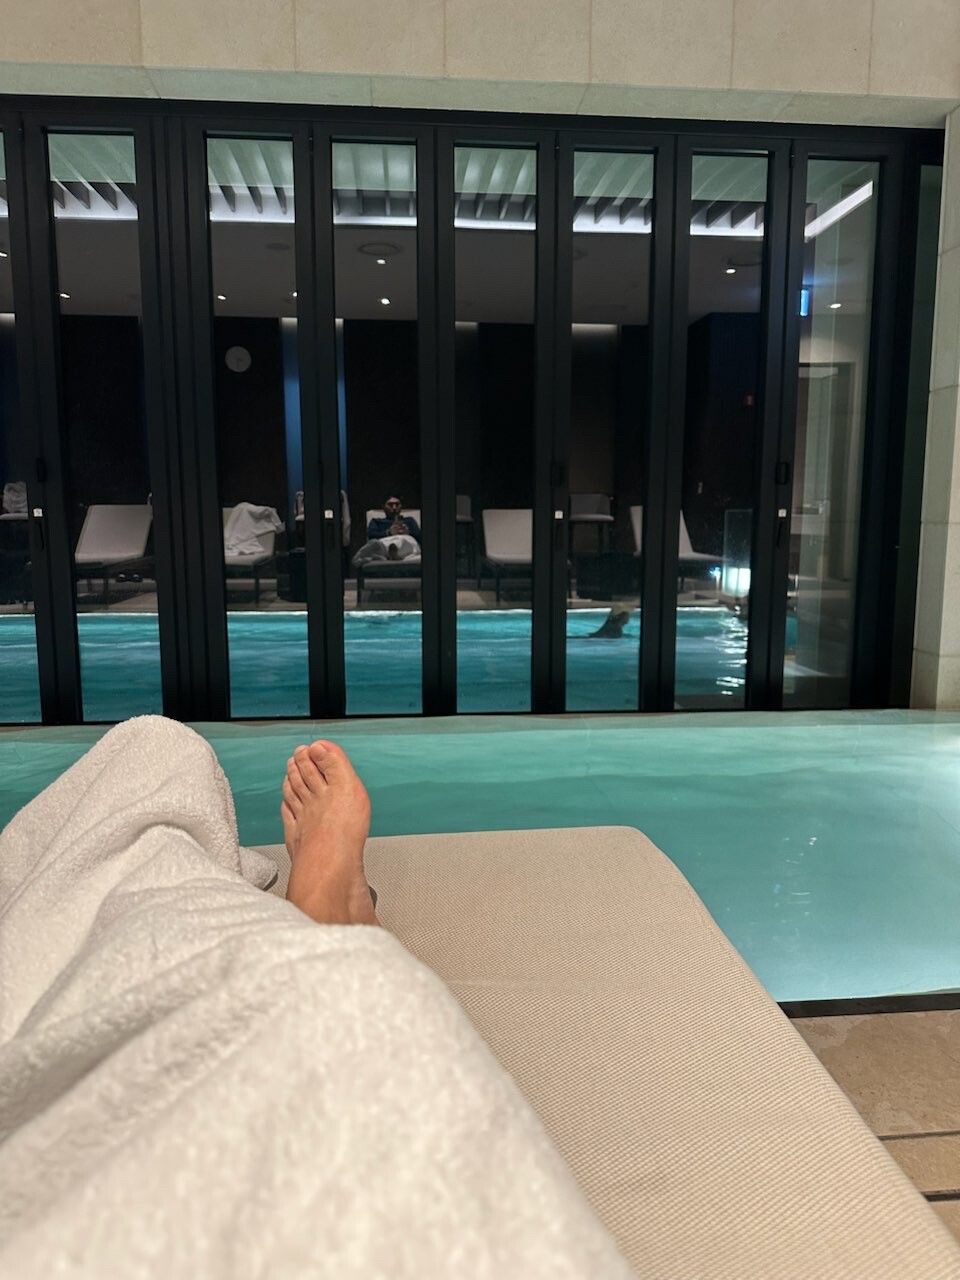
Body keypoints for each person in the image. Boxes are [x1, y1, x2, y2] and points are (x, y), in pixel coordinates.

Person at [353, 496, 421, 565]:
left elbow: (420, 537)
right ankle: (389, 553)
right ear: (383, 506)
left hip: (407, 543)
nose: (394, 507)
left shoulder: (409, 520)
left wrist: (408, 533)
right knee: (376, 543)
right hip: (385, 542)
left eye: (397, 504)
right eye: (390, 505)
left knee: (401, 540)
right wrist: (389, 533)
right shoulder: (377, 521)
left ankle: (389, 552)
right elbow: (371, 535)